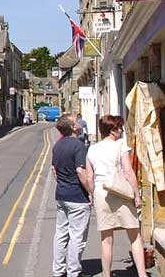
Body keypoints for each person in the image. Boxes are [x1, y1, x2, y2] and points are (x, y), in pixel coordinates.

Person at [86, 115, 147, 277]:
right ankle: (142, 274)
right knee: (134, 235)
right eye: (119, 128)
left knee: (106, 239)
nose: (121, 130)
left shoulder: (92, 149)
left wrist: (92, 195)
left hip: (101, 193)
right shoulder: (120, 146)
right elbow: (128, 172)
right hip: (121, 192)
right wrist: (136, 195)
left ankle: (106, 275)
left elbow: (89, 177)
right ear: (112, 131)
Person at [51, 113, 91, 277]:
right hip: (77, 197)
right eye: (76, 121)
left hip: (61, 195)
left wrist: (62, 184)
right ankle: (74, 272)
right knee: (77, 237)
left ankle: (58, 270)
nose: (80, 122)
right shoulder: (79, 146)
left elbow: (54, 170)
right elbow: (80, 172)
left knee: (61, 234)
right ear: (73, 128)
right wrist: (91, 192)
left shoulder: (57, 146)